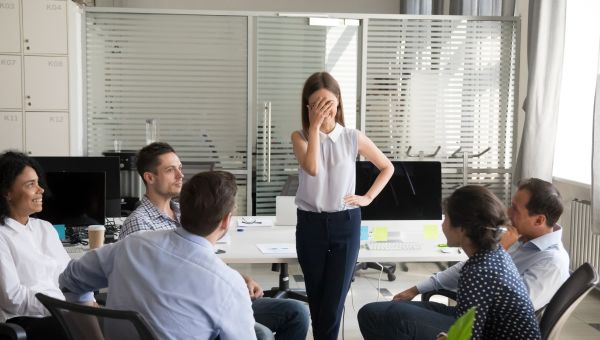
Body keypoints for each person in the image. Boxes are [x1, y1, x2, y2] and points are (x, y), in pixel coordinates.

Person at [120, 142, 309, 340]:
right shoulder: (139, 225)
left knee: (297, 312)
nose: (180, 175)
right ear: (149, 177)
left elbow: (201, 258)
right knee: (261, 334)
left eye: (180, 168)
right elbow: (153, 287)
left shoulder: (183, 211)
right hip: (185, 310)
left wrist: (238, 278)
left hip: (212, 295)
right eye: (170, 170)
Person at [60, 171, 256, 339]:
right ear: (226, 221)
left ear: (182, 209)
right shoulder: (228, 283)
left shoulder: (133, 244)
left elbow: (69, 280)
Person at [358, 185, 541, 339]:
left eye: (446, 218)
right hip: (481, 326)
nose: (442, 225)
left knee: (376, 316)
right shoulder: (492, 254)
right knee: (372, 311)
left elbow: (468, 335)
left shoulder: (479, 271)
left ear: (462, 228)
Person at [291, 71, 394, 339]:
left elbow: (387, 167)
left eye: (330, 103)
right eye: (318, 104)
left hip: (345, 223)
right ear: (308, 107)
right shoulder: (300, 136)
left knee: (334, 301)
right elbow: (312, 168)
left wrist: (367, 198)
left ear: (339, 103)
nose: (326, 110)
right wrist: (314, 127)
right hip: (310, 223)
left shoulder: (351, 136)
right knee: (316, 296)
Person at [388, 178, 569, 311]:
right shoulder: (521, 238)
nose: (508, 211)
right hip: (472, 315)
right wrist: (416, 289)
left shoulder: (552, 261)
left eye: (515, 208)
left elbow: (517, 308)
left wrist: (500, 252)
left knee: (381, 316)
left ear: (539, 220)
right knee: (385, 312)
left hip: (488, 329)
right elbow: (469, 267)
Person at [0, 151, 93, 340]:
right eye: (30, 184)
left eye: (38, 182)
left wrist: (86, 298)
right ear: (6, 192)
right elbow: (12, 298)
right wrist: (63, 306)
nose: (41, 190)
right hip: (24, 320)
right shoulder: (2, 235)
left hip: (60, 312)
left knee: (114, 320)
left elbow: (68, 277)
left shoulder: (45, 228)